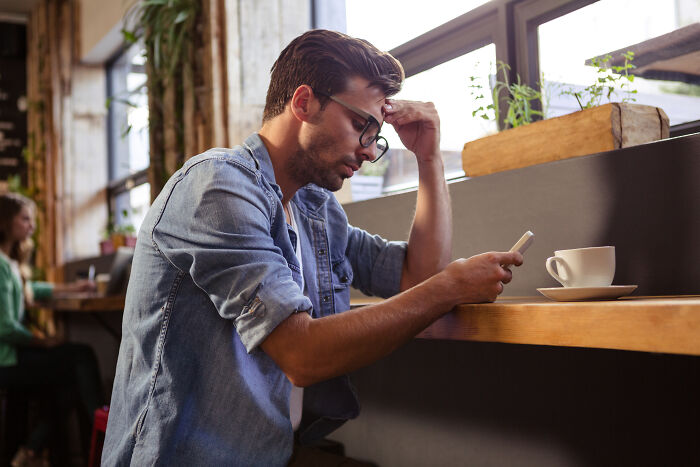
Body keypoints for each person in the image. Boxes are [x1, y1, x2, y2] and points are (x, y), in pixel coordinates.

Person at [103, 29, 523, 466]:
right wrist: (450, 288)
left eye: (375, 136)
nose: (367, 151)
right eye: (361, 126)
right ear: (303, 103)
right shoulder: (217, 187)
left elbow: (416, 275)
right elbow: (301, 354)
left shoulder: (313, 207)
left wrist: (429, 158)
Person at [0, 192, 104, 467]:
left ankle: (31, 451)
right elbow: (5, 328)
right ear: (4, 222)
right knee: (80, 357)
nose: (32, 226)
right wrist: (44, 342)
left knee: (71, 377)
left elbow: (29, 290)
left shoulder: (8, 262)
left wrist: (71, 287)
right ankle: (101, 432)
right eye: (25, 219)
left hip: (12, 356)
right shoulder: (0, 264)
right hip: (6, 360)